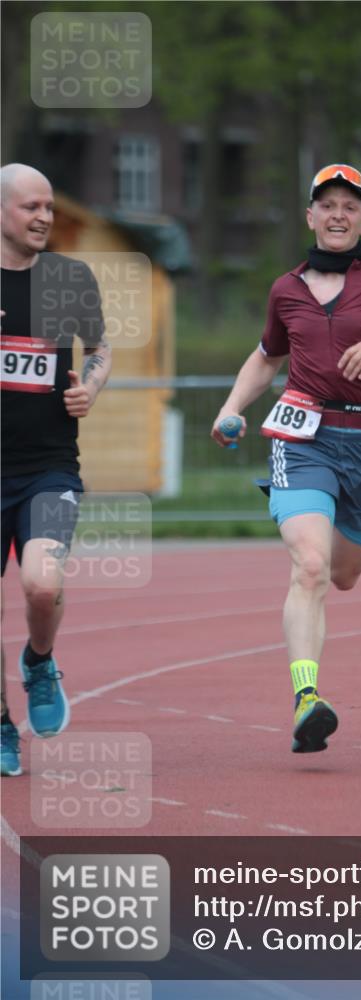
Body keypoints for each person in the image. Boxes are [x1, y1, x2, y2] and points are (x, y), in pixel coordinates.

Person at [211, 163, 361, 754]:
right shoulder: (286, 289)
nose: (338, 215)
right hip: (304, 440)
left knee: (342, 575)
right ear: (310, 217)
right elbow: (267, 357)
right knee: (310, 567)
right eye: (327, 205)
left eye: (350, 207)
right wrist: (231, 407)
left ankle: (309, 684)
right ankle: (306, 699)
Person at [0, 163, 111, 776]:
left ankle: (40, 661)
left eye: (48, 207)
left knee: (42, 584)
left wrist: (89, 387)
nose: (44, 217)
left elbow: (99, 349)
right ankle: (1, 725)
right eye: (31, 207)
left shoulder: (68, 278)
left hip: (48, 465)